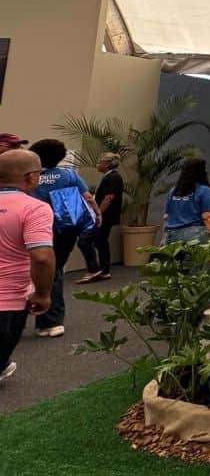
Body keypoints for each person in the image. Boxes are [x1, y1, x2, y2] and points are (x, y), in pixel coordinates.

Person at [27, 139, 96, 337]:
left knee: (31, 270)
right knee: (55, 270)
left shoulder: (31, 177)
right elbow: (88, 198)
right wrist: (97, 214)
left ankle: (28, 317)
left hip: (36, 229)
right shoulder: (69, 175)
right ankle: (51, 321)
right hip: (65, 229)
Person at [0, 150, 55, 384]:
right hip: (8, 301)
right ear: (31, 177)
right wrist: (43, 294)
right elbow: (42, 257)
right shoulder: (34, 208)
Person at [76, 152, 123, 283]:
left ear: (107, 164)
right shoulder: (108, 177)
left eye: (100, 162)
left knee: (85, 241)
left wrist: (99, 213)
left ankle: (96, 269)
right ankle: (103, 270)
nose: (97, 164)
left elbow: (109, 197)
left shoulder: (113, 177)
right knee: (100, 242)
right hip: (104, 215)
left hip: (105, 216)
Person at [163, 157, 210, 244]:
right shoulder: (204, 190)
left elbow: (166, 216)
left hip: (170, 235)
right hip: (194, 236)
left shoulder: (173, 191)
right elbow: (207, 217)